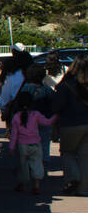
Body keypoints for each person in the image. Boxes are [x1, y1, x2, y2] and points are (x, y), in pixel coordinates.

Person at [51, 56, 88, 195]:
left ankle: (73, 177)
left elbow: (56, 106)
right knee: (85, 157)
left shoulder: (66, 85)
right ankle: (84, 189)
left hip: (70, 124)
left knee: (68, 153)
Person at [7, 91, 56, 195]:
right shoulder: (36, 114)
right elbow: (47, 122)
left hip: (22, 145)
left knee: (22, 166)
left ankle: (22, 183)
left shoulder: (16, 117)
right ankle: (36, 186)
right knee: (37, 164)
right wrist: (55, 116)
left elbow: (14, 134)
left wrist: (11, 147)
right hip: (36, 144)